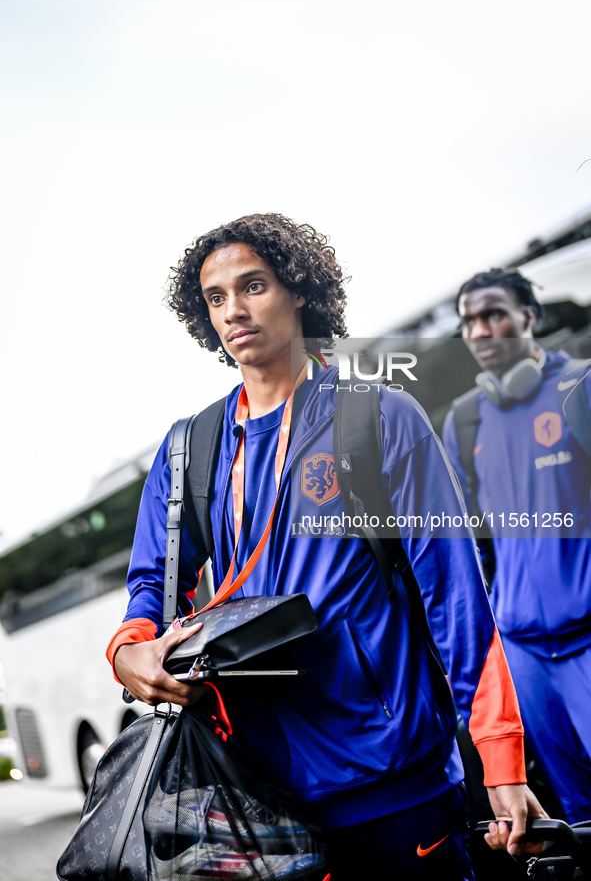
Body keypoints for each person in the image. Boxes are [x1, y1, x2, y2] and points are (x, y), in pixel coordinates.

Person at [107, 217, 544, 878]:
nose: (234, 310)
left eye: (252, 285)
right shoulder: (186, 450)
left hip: (394, 785)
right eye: (216, 297)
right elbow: (149, 589)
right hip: (253, 799)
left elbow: (458, 605)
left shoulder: (378, 418)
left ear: (299, 293)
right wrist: (127, 649)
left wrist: (502, 764)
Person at [443, 267, 591, 824]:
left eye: (494, 314)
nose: (481, 330)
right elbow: (473, 553)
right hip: (524, 654)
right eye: (469, 322)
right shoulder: (463, 421)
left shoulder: (581, 385)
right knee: (575, 815)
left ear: (528, 316)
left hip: (587, 638)